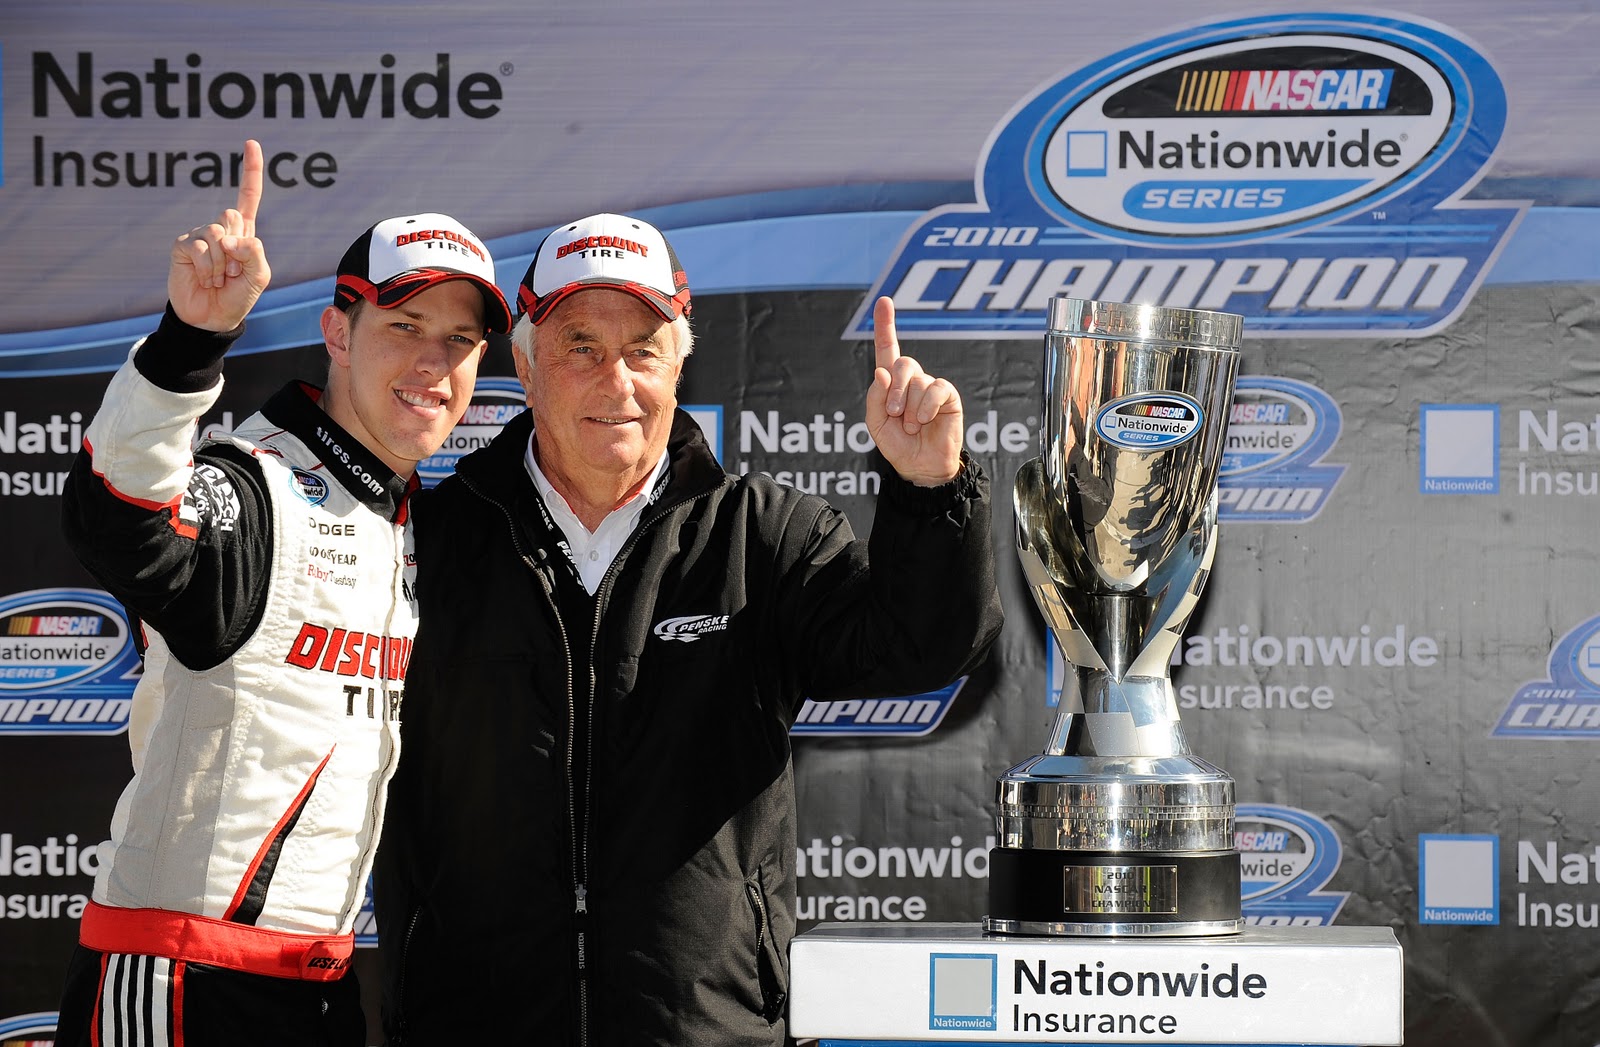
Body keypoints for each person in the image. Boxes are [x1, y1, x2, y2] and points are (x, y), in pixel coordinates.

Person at [371, 212, 1004, 1045]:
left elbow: (921, 649)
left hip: (709, 1027)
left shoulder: (763, 534)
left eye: (643, 351)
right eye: (581, 347)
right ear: (523, 365)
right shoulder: (427, 539)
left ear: (678, 365)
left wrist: (928, 492)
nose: (617, 382)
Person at [53, 139, 512, 1047]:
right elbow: (117, 516)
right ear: (338, 333)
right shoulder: (257, 485)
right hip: (181, 979)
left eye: (460, 340)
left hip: (319, 983)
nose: (434, 361)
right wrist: (189, 342)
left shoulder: (408, 521)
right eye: (404, 325)